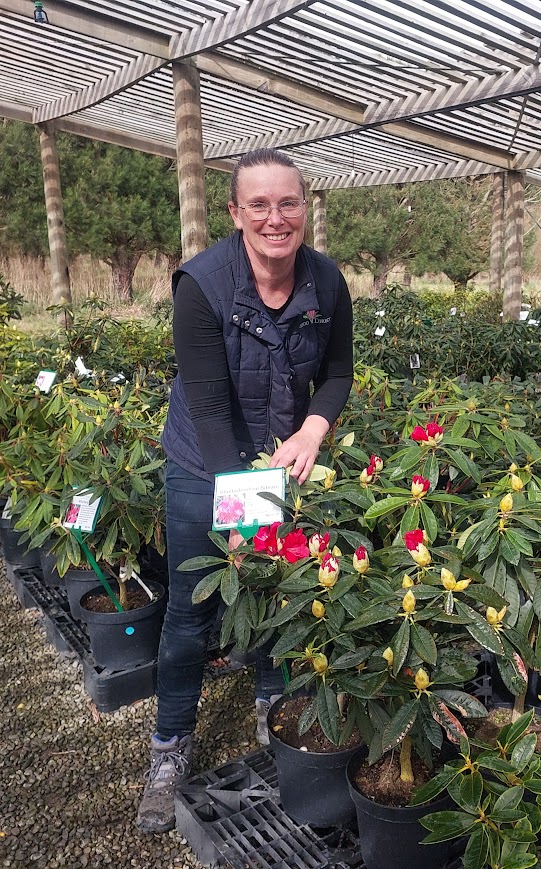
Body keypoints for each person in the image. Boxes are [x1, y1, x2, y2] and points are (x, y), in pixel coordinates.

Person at [136, 149, 354, 833]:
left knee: (275, 596)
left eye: (287, 202)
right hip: (205, 464)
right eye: (257, 204)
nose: (274, 217)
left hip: (280, 462)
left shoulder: (326, 281)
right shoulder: (201, 285)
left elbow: (340, 372)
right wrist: (242, 509)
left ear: (304, 208)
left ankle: (270, 700)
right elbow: (207, 404)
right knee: (192, 612)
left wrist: (315, 427)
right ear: (234, 214)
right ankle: (169, 746)